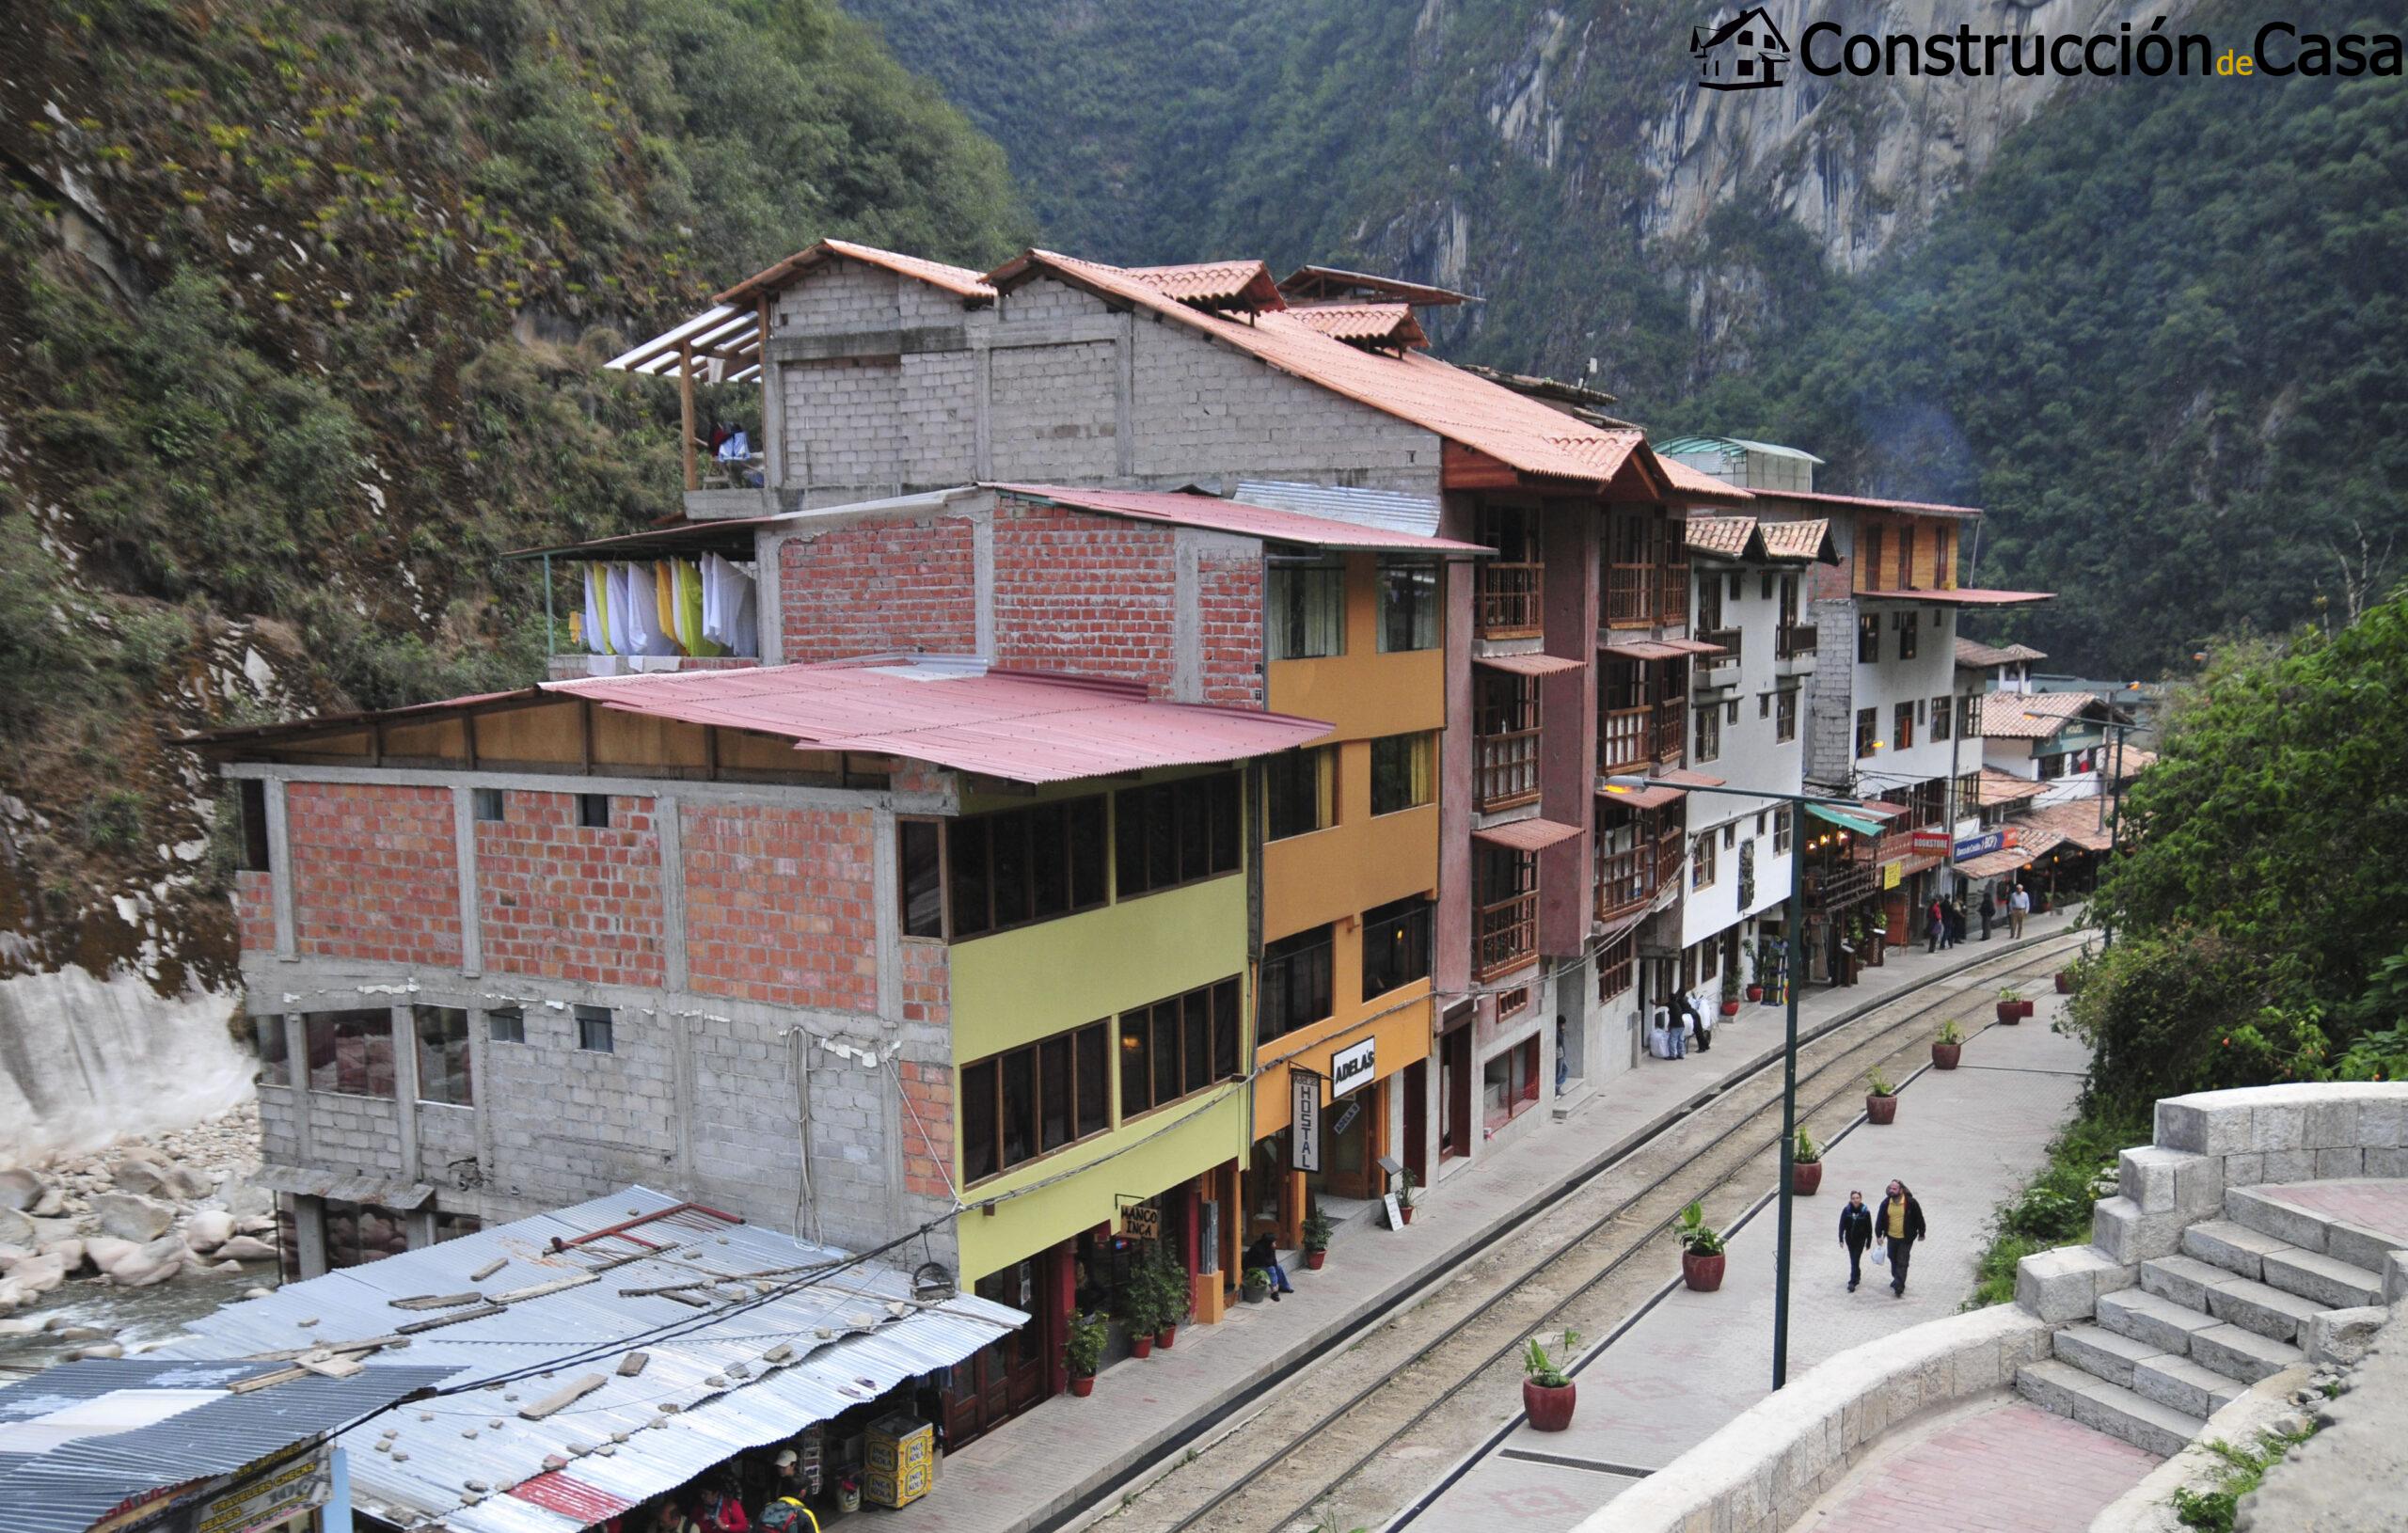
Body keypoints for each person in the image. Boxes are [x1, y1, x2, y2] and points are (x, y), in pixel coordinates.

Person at [1878, 1179, 1928, 1298]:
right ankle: (1897, 1278)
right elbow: (1880, 1219)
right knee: (1892, 1257)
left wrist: (1922, 1233)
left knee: (1902, 1261)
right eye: (1890, 1188)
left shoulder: (1911, 1203)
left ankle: (1899, 1286)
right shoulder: (1886, 1203)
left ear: (1901, 1190)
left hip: (1906, 1238)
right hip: (1891, 1237)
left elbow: (1919, 1218)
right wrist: (1878, 1234)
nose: (1892, 1191)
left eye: (1894, 1189)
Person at [1837, 1190, 1875, 1291]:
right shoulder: (1846, 1210)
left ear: (1860, 1199)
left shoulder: (1865, 1212)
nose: (1855, 1200)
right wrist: (1840, 1238)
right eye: (1853, 1198)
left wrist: (1869, 1242)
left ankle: (1852, 1282)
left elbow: (1869, 1228)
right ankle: (1857, 1275)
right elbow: (1841, 1225)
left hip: (1860, 1240)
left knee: (1855, 1259)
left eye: (1857, 1198)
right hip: (1850, 1239)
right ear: (1850, 1199)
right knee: (1854, 1259)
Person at [1244, 1231, 1295, 1300]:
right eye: (1274, 1242)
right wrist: (1273, 1265)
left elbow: (1273, 1260)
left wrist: (1275, 1264)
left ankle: (1284, 1287)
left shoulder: (1269, 1247)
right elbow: (1267, 1263)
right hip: (1253, 1267)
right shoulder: (1257, 1248)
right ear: (1268, 1243)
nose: (1275, 1244)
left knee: (1278, 1268)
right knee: (1271, 1269)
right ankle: (1274, 1291)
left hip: (1263, 1265)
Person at [1681, 990, 1711, 1054]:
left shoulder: (1681, 1001)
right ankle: (1705, 1045)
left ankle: (1702, 1048)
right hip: (1694, 1014)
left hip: (1693, 1017)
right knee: (1699, 1032)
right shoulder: (1685, 998)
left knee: (1698, 1033)